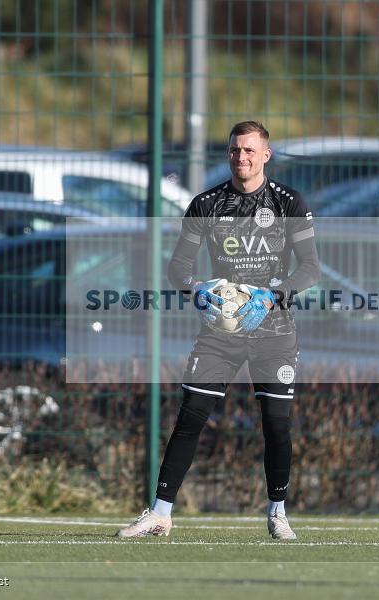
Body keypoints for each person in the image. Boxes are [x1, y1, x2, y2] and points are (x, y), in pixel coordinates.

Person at [117, 121, 320, 540]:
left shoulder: (289, 203)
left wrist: (272, 294)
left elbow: (311, 268)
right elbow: (178, 268)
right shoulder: (207, 204)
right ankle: (160, 513)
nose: (240, 158)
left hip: (274, 330)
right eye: (233, 151)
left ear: (266, 155)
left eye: (249, 151)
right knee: (190, 417)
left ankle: (278, 512)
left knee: (276, 424)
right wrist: (197, 291)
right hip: (221, 331)